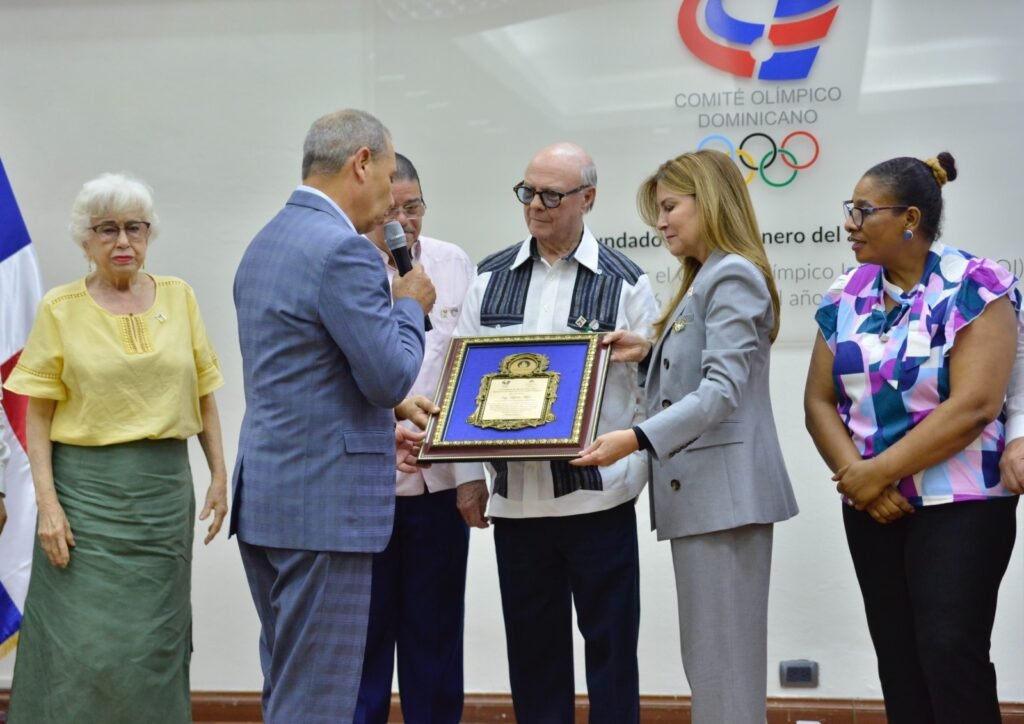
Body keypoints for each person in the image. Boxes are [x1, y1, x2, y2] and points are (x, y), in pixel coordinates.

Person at [574, 149, 798, 723]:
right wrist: (648, 351)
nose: (662, 222)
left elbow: (721, 390)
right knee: (712, 663)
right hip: (705, 501)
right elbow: (704, 370)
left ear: (710, 201)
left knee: (724, 667)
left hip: (724, 502)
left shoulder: (733, 275)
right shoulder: (706, 278)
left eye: (671, 207)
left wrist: (637, 438)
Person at [231, 110, 437, 724]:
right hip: (324, 511)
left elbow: (309, 371)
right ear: (363, 163)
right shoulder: (344, 251)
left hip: (272, 498)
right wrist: (409, 308)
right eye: (390, 171)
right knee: (319, 701)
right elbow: (387, 378)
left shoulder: (268, 239)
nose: (391, 194)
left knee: (292, 685)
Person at [2, 172, 228, 723]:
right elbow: (38, 415)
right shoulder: (60, 307)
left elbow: (203, 393)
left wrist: (219, 474)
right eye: (107, 230)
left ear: (149, 234)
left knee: (155, 644)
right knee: (81, 650)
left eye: (134, 228)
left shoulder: (180, 297)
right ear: (85, 240)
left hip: (161, 501)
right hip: (85, 504)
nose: (123, 241)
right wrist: (48, 507)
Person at [803, 152, 1020, 723]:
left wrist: (873, 473)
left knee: (951, 652)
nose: (849, 223)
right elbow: (819, 401)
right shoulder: (844, 293)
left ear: (909, 218)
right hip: (874, 508)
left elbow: (974, 406)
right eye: (850, 210)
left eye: (862, 210)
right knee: (898, 662)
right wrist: (864, 483)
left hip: (962, 502)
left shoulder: (976, 284)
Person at [455, 142, 658, 724]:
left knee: (613, 655)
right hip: (516, 506)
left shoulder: (626, 282)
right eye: (528, 192)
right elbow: (459, 388)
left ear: (587, 198)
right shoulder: (488, 278)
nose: (536, 206)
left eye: (551, 194)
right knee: (534, 660)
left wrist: (630, 475)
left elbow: (651, 390)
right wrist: (470, 479)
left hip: (600, 499)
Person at [353, 153, 476, 724]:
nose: (404, 222)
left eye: (415, 207)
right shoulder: (348, 270)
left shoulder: (454, 264)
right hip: (366, 489)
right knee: (365, 650)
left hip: (440, 485)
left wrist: (472, 476)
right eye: (392, 210)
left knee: (436, 643)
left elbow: (469, 373)